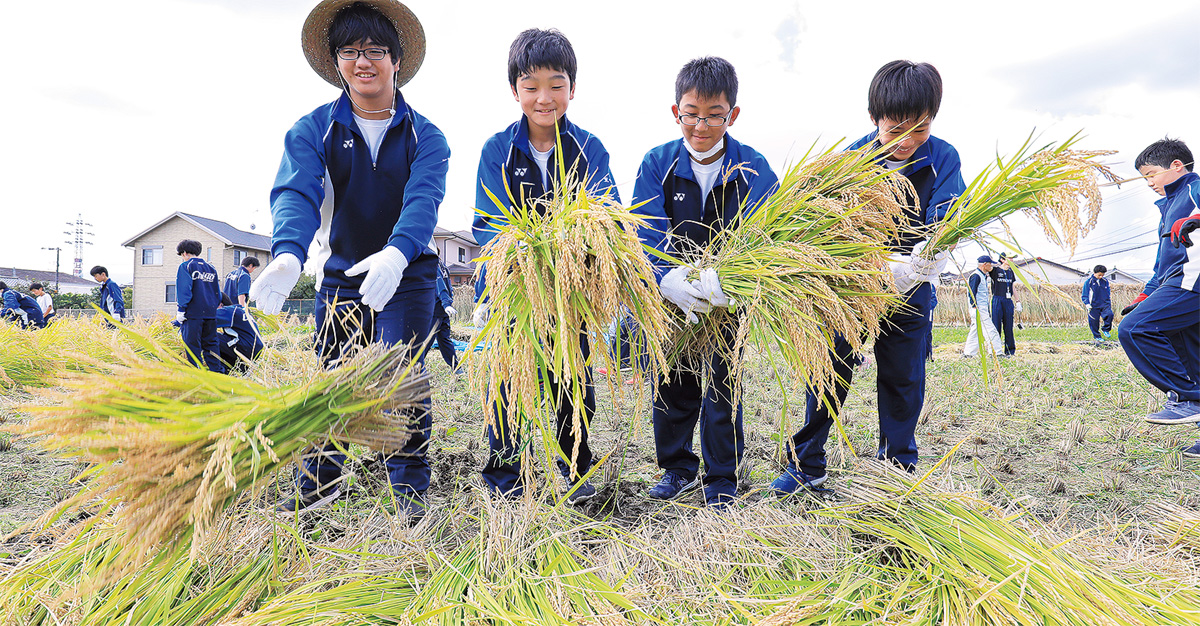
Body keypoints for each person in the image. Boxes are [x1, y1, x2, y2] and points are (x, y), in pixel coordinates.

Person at [249, 0, 449, 519]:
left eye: (376, 50)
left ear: (397, 60)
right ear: (336, 62)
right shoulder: (312, 130)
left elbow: (423, 202)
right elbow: (296, 193)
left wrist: (396, 255)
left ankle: (407, 490)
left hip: (407, 275)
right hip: (340, 277)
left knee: (398, 373)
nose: (364, 62)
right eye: (351, 51)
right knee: (332, 379)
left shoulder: (427, 136)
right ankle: (318, 490)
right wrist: (289, 255)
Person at [771, 60, 964, 493]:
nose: (907, 141)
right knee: (827, 373)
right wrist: (872, 265)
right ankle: (808, 464)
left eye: (921, 128)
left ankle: (897, 468)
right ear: (874, 117)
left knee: (903, 378)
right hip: (851, 291)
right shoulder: (849, 162)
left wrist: (926, 257)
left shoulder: (943, 157)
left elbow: (948, 217)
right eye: (895, 128)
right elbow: (825, 229)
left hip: (912, 288)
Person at [471, 28, 619, 505]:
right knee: (507, 384)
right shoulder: (498, 149)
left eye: (556, 84)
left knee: (572, 382)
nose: (544, 97)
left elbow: (607, 214)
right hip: (513, 291)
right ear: (515, 91)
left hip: (569, 293)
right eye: (531, 85)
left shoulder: (589, 149)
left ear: (572, 88)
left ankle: (574, 468)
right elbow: (487, 224)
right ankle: (505, 477)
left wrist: (576, 253)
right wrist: (525, 258)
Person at [632, 56, 778, 509]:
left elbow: (770, 236)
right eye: (691, 113)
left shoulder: (752, 167)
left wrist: (734, 280)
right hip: (673, 299)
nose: (701, 125)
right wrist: (666, 278)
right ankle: (676, 468)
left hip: (727, 301)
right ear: (676, 112)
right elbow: (644, 228)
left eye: (714, 115)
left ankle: (721, 479)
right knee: (671, 381)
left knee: (722, 385)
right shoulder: (657, 162)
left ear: (732, 115)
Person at [1117, 138, 1200, 457]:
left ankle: (1187, 397)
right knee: (1192, 359)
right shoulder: (1169, 205)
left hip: (1192, 282)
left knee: (1135, 330)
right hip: (1174, 282)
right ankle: (1192, 394)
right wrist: (1145, 294)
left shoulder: (1193, 190)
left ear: (1176, 166)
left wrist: (1196, 218)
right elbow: (1163, 262)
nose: (1148, 182)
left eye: (1151, 174)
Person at [175, 239, 225, 373]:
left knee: (192, 345)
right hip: (210, 313)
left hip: (193, 313)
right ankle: (217, 373)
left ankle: (197, 373)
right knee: (211, 344)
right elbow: (217, 292)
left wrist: (181, 309)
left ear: (184, 253)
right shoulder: (211, 268)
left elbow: (184, 289)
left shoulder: (186, 266)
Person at [964, 255, 1004, 358]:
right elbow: (972, 291)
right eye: (990, 264)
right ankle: (996, 352)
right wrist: (974, 306)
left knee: (976, 331)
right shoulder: (976, 276)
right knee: (990, 330)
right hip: (979, 308)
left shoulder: (982, 275)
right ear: (985, 264)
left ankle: (968, 353)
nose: (991, 267)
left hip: (981, 308)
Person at [215, 294, 265, 371]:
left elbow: (205, 320)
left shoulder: (227, 311)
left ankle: (216, 369)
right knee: (224, 340)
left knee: (208, 336)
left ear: (220, 304)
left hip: (245, 346)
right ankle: (236, 368)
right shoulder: (238, 309)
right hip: (254, 348)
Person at [431, 258, 458, 369]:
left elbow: (441, 285)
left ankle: (416, 367)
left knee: (427, 340)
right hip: (442, 309)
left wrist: (446, 303)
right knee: (443, 339)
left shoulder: (435, 265)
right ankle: (456, 367)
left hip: (436, 308)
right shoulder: (442, 266)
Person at [990, 253, 1019, 355]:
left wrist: (1017, 300)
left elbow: (1012, 286)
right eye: (1009, 258)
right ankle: (995, 351)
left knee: (1009, 327)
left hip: (1008, 301)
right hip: (998, 299)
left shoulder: (1011, 272)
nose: (1012, 260)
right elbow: (987, 267)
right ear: (1002, 259)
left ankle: (1010, 351)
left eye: (1012, 259)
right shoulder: (996, 271)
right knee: (996, 326)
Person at [1081, 264, 1114, 345]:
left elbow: (1107, 292)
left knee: (1110, 315)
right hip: (1093, 305)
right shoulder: (1089, 282)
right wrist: (1087, 304)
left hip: (1104, 303)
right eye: (1099, 275)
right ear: (1094, 273)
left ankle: (1106, 329)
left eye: (1102, 275)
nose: (1101, 277)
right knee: (1093, 321)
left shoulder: (1105, 281)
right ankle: (1097, 336)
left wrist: (1108, 301)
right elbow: (1085, 294)